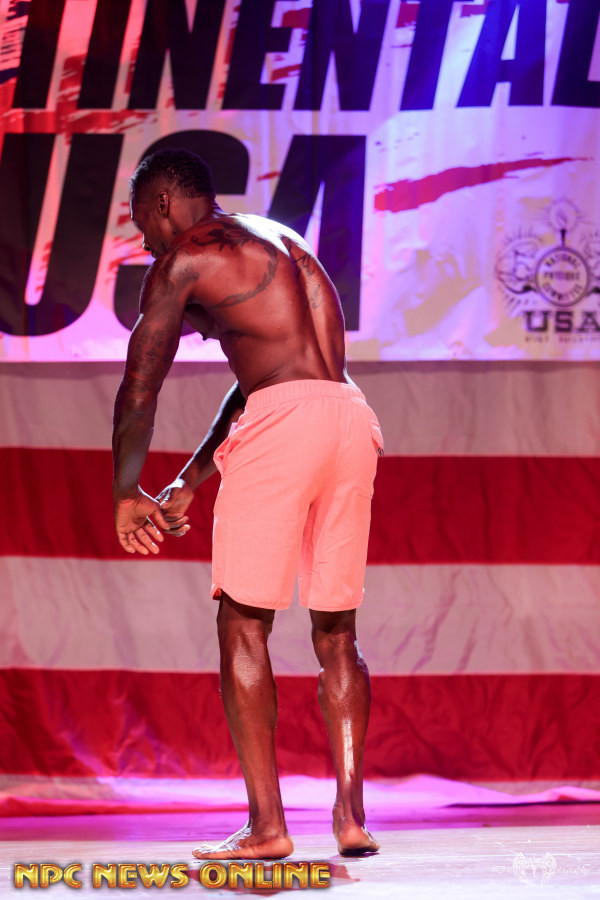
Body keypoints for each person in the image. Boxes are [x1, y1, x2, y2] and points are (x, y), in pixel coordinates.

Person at [112, 148, 383, 860]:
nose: (145, 242)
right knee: (336, 629)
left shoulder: (186, 258)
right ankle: (351, 818)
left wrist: (125, 491)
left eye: (141, 224)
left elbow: (141, 384)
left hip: (284, 426)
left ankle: (267, 827)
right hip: (350, 417)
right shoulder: (283, 240)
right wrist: (191, 478)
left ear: (163, 203)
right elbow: (265, 379)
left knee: (243, 621)